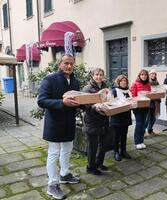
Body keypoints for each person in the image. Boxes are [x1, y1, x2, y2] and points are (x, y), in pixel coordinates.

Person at [38, 54, 80, 200]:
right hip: (54, 123)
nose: (69, 66)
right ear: (59, 64)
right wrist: (62, 103)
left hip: (69, 122)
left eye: (71, 64)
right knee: (54, 152)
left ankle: (64, 174)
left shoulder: (75, 81)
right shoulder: (49, 79)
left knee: (67, 150)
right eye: (66, 63)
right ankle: (52, 184)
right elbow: (42, 101)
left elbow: (78, 100)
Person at [82, 68, 109, 175]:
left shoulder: (104, 87)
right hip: (92, 120)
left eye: (101, 74)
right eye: (97, 74)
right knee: (92, 146)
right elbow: (84, 105)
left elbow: (108, 99)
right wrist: (94, 108)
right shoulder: (87, 88)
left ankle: (99, 163)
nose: (99, 76)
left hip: (104, 118)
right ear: (92, 76)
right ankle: (91, 167)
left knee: (103, 144)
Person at [109, 75, 132, 161]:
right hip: (117, 117)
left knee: (124, 135)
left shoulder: (129, 91)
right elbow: (110, 102)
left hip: (126, 116)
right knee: (116, 136)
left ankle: (123, 151)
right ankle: (116, 152)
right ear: (118, 82)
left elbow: (132, 102)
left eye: (125, 81)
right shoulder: (114, 91)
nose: (124, 82)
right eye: (122, 81)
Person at [130, 69, 151, 150]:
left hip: (145, 107)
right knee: (139, 124)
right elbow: (133, 96)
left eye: (145, 75)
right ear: (139, 76)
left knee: (143, 125)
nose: (144, 76)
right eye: (142, 75)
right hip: (138, 107)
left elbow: (149, 95)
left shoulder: (148, 85)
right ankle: (137, 142)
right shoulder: (135, 84)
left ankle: (141, 141)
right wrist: (140, 97)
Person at [144, 69, 161, 137]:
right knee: (147, 118)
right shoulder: (147, 82)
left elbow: (159, 91)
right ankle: (143, 131)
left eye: (154, 74)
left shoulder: (157, 82)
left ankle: (150, 130)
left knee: (153, 118)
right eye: (152, 74)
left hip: (156, 102)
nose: (153, 75)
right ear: (149, 75)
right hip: (148, 102)